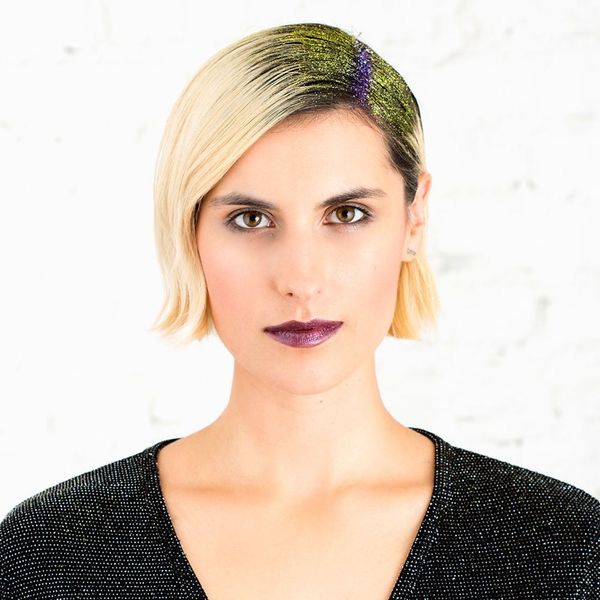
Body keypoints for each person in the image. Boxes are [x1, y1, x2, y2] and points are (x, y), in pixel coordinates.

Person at [1, 22, 598, 599]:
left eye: (347, 215)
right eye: (250, 219)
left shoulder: (564, 550)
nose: (301, 280)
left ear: (414, 219)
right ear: (190, 232)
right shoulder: (50, 555)